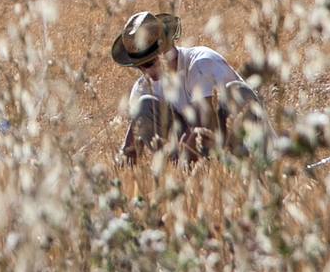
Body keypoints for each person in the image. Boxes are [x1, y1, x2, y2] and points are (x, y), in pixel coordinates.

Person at [110, 11, 263, 163]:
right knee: (143, 106)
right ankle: (192, 174)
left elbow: (204, 125)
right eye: (139, 67)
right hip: (193, 164)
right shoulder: (143, 87)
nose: (146, 72)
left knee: (238, 91)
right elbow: (129, 149)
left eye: (149, 63)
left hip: (235, 144)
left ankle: (257, 163)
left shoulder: (201, 63)